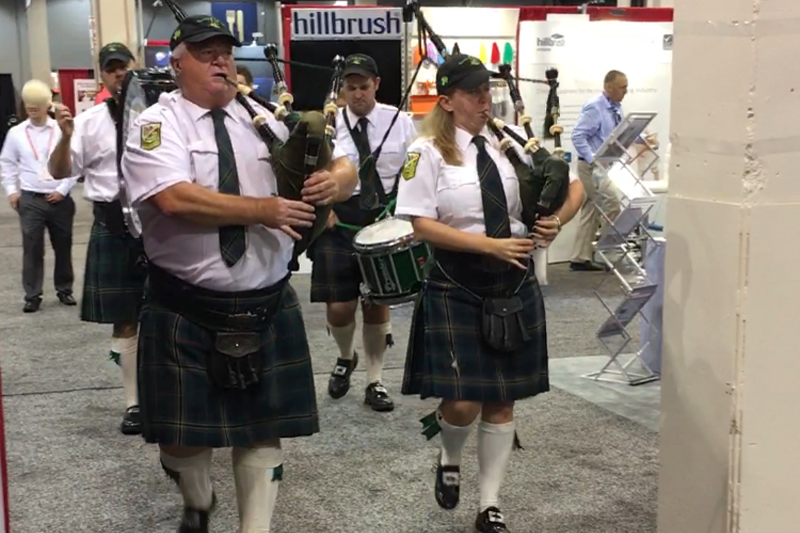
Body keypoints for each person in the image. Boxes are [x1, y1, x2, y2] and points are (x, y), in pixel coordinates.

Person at [120, 15, 357, 533]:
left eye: (226, 52)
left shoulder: (265, 118)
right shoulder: (157, 124)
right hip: (186, 304)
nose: (221, 60)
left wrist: (333, 183)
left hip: (266, 303)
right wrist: (263, 210)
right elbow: (172, 198)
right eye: (206, 53)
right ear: (177, 63)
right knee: (183, 440)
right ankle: (199, 498)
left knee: (260, 431)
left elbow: (344, 162)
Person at [395, 54, 582, 533]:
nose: (485, 100)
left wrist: (555, 222)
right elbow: (419, 223)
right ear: (447, 100)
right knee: (461, 401)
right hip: (458, 279)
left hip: (513, 279)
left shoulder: (513, 142)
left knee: (501, 400)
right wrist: (486, 245)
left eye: (488, 91)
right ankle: (449, 455)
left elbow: (574, 186)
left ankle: (489, 504)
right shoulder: (427, 152)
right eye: (474, 92)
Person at [310, 53, 417, 412]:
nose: (357, 94)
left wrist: (406, 213)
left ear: (376, 85)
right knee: (339, 307)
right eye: (351, 87)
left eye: (364, 86)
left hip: (383, 217)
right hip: (338, 219)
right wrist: (321, 211)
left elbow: (414, 170)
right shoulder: (327, 123)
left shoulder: (400, 121)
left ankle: (376, 380)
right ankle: (345, 356)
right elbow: (305, 171)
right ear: (342, 88)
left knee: (376, 303)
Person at [48, 42, 145, 435]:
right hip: (111, 224)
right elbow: (58, 172)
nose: (119, 74)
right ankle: (133, 402)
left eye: (125, 67)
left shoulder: (157, 115)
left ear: (135, 69)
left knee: (174, 311)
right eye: (112, 69)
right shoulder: (88, 123)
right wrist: (64, 136)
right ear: (102, 75)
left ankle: (173, 390)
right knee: (125, 320)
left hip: (160, 223)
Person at [1, 79, 78, 313]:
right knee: (32, 248)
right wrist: (11, 191)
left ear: (48, 105)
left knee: (63, 246)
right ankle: (32, 294)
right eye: (27, 104)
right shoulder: (16, 134)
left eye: (36, 103)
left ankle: (64, 289)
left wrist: (62, 190)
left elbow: (75, 162)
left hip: (59, 199)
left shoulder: (61, 131)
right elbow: (6, 163)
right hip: (31, 199)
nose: (31, 108)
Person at [569, 69, 628, 272]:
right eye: (622, 88)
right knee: (612, 203)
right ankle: (606, 252)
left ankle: (580, 257)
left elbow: (619, 132)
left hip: (605, 165)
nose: (625, 91)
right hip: (592, 166)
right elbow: (578, 136)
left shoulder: (616, 108)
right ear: (609, 87)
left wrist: (642, 139)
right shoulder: (595, 107)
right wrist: (593, 160)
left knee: (592, 208)